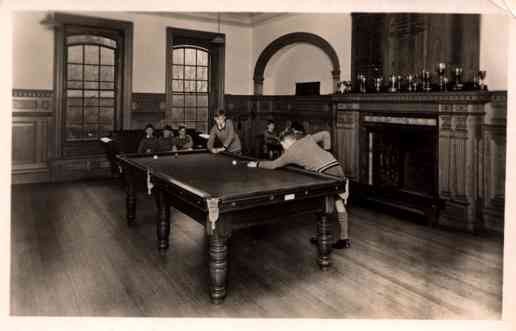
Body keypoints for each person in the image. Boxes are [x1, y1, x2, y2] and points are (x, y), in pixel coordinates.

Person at [247, 129, 350, 249]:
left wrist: (257, 164)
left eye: (282, 145)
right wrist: (327, 151)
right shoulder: (307, 138)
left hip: (325, 174)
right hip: (336, 166)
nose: (283, 147)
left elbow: (273, 164)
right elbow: (326, 134)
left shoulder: (291, 153)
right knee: (338, 203)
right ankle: (344, 238)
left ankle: (323, 237)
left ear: (286, 142)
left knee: (323, 204)